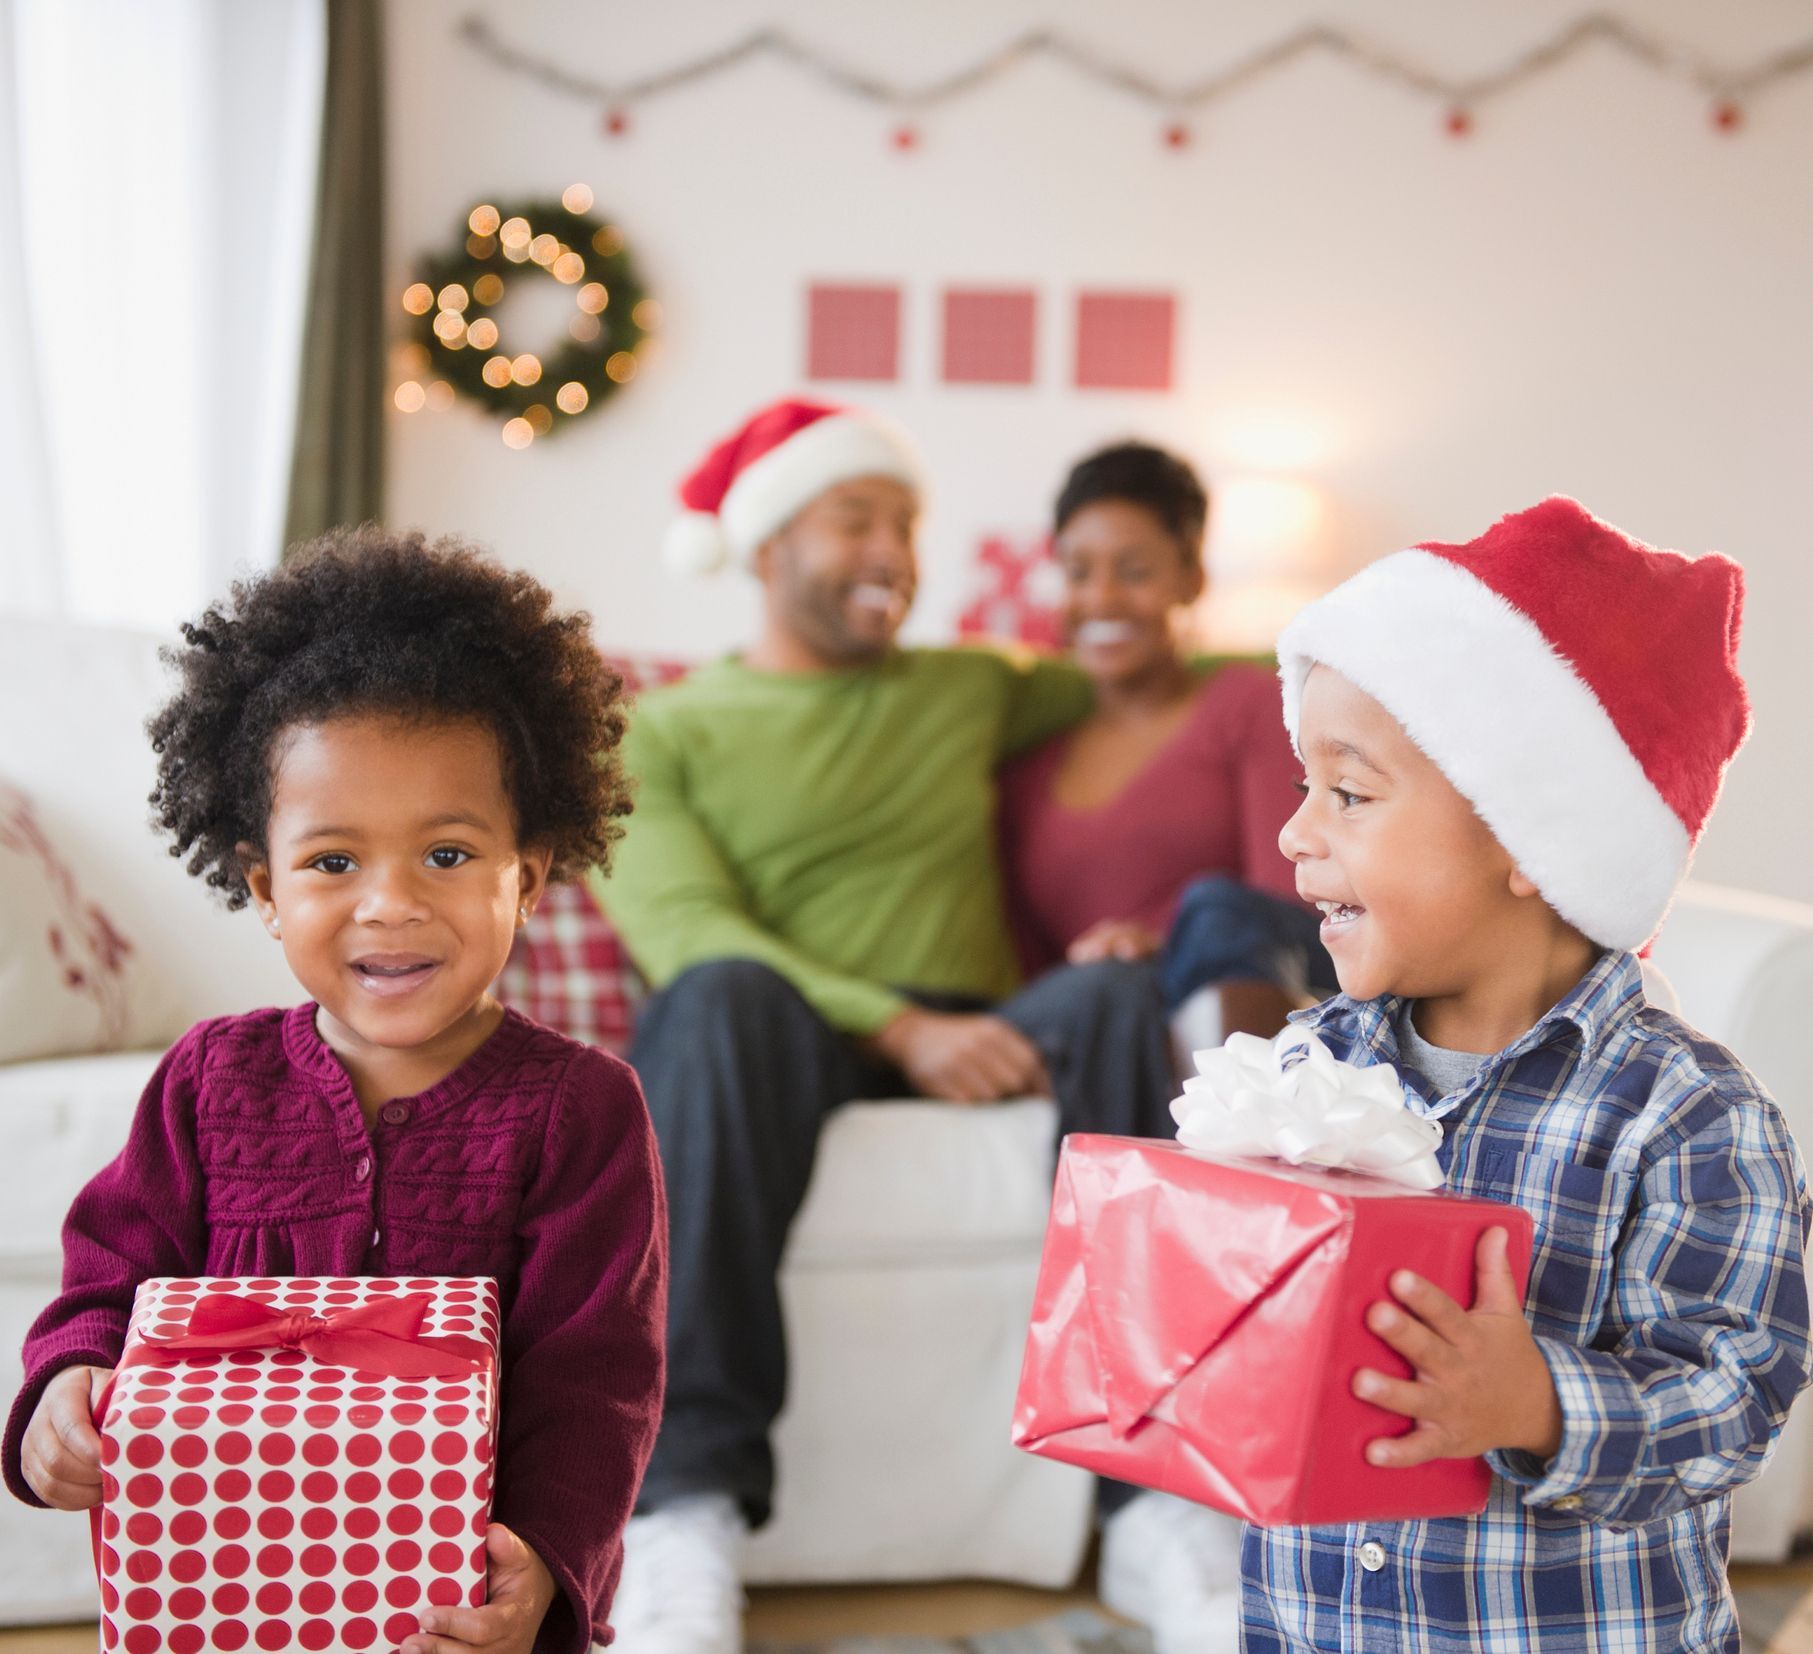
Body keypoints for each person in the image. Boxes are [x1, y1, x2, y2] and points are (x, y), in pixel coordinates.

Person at [1, 531, 667, 1654]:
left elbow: (596, 1382)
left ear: (530, 878)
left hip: (447, 1609)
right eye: (332, 861)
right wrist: (63, 1391)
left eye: (448, 856)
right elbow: (107, 1278)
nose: (389, 904)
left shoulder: (582, 1109)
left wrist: (546, 1569)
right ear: (263, 887)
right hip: (221, 1593)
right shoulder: (210, 1078)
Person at [596, 398, 1185, 1654]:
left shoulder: (970, 685)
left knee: (1118, 995)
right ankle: (676, 1514)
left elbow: (1165, 668)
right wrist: (899, 1029)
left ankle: (1151, 1501)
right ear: (764, 551)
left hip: (991, 1023)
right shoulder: (663, 728)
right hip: (787, 1039)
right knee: (709, 998)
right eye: (854, 519)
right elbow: (686, 925)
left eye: (906, 525)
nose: (894, 554)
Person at [1246, 496, 1810, 1650]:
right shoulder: (1306, 1066)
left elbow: (1734, 1399)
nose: (1295, 834)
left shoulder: (1690, 1114)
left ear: (1524, 831)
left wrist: (1539, 1403)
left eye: (1347, 792)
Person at [998, 441, 1333, 1043]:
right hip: (1094, 1022)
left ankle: (1239, 1122)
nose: (1101, 598)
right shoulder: (1027, 767)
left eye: (1134, 571)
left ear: (1191, 578)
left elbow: (1285, 905)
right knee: (1105, 990)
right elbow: (1034, 970)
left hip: (1221, 985)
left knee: (1218, 908)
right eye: (1078, 573)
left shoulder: (1249, 705)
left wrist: (1158, 944)